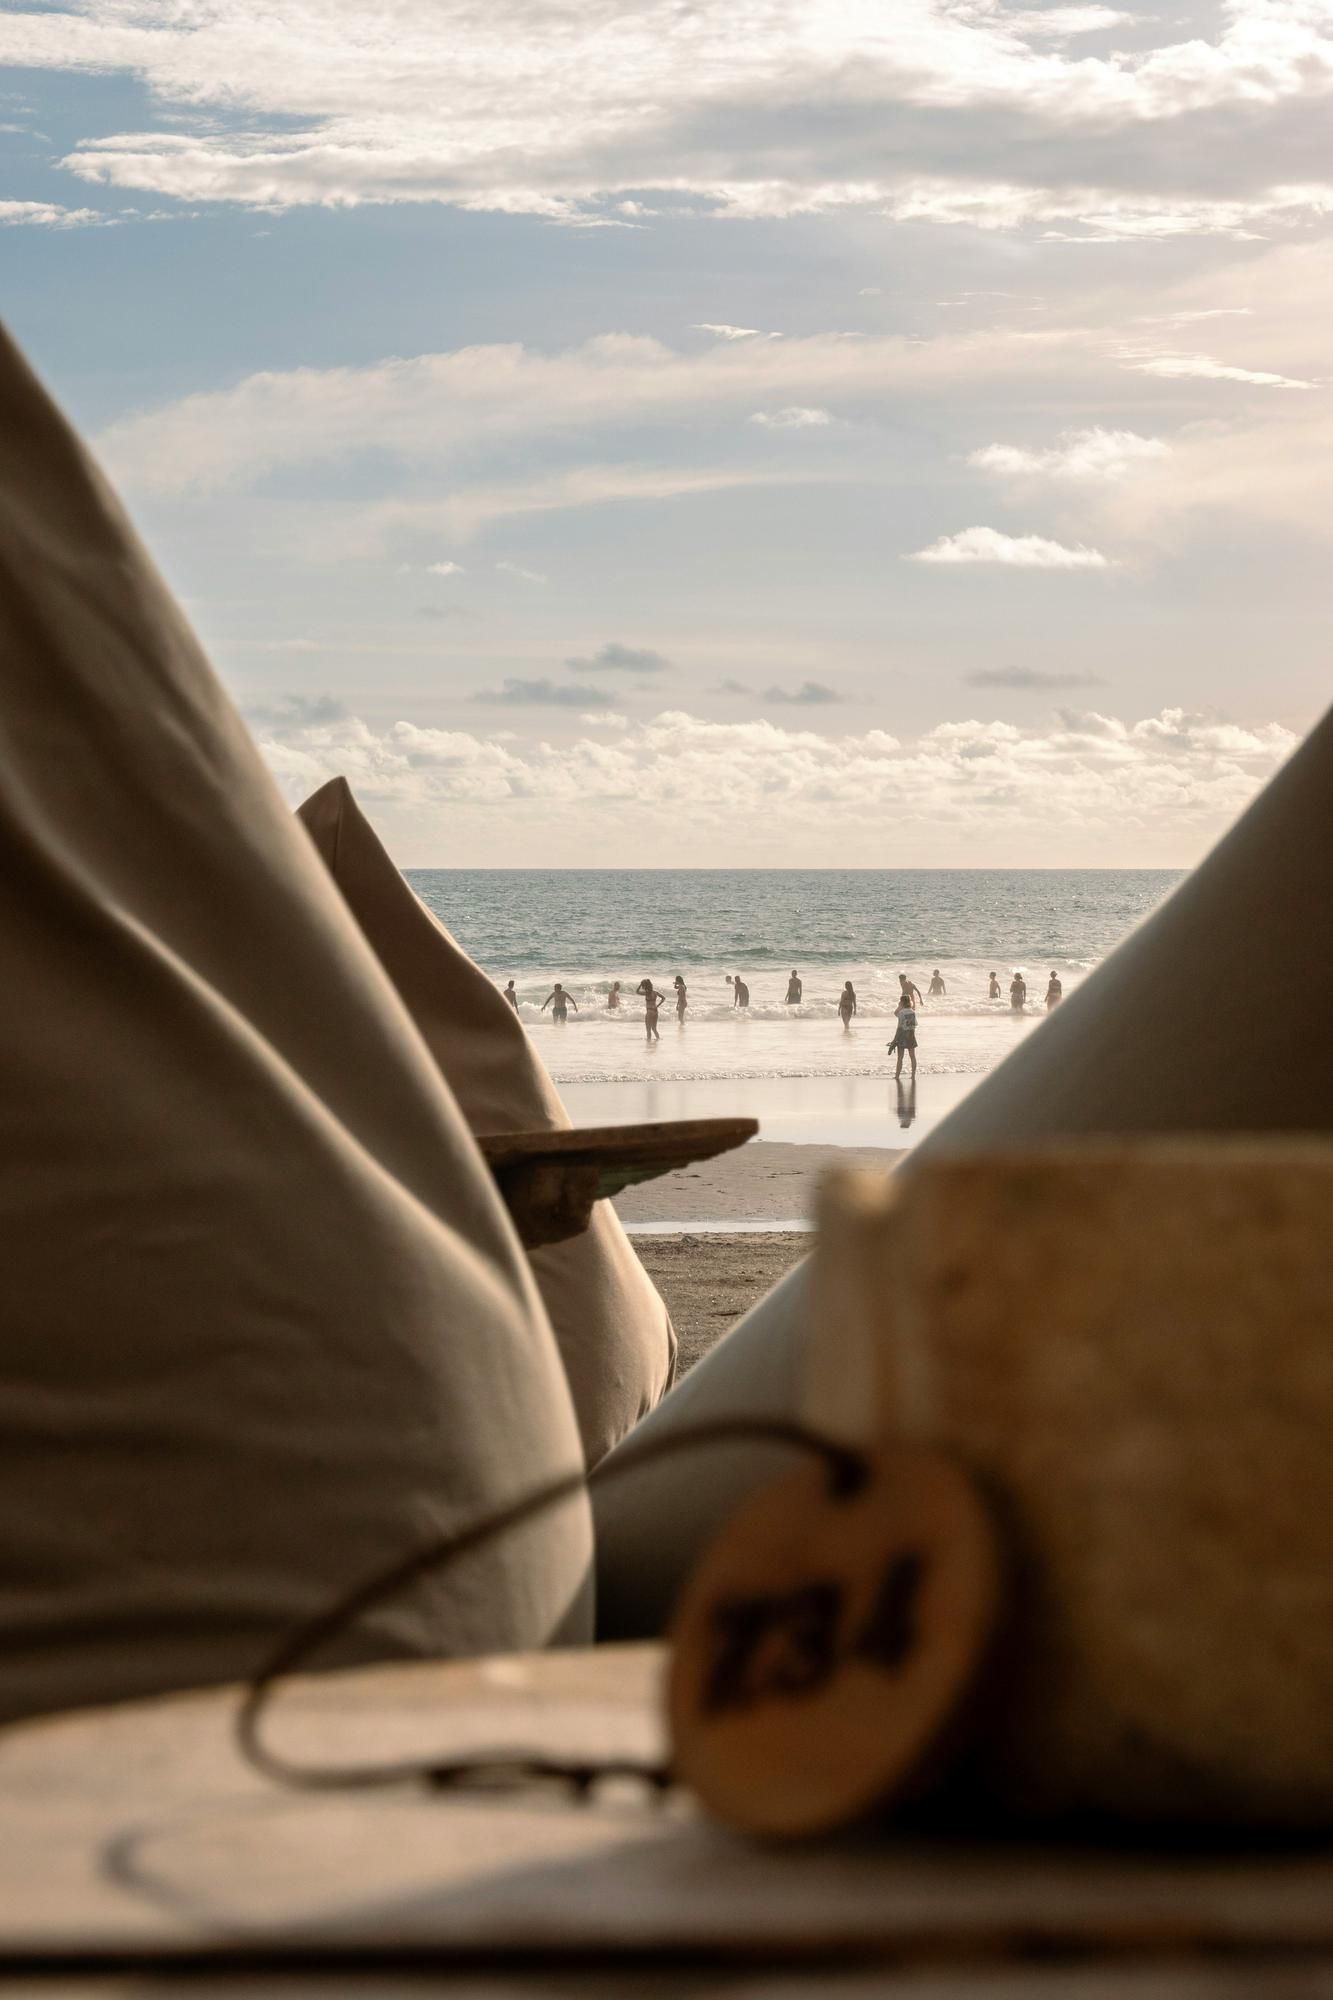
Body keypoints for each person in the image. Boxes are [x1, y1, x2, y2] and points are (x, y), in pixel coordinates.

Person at [890, 994, 918, 1079]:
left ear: (901, 1002)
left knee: (900, 1057)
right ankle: (913, 1075)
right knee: (912, 1056)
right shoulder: (913, 1012)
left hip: (902, 1035)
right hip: (911, 1034)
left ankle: (897, 1076)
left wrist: (894, 1040)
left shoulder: (901, 1012)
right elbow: (915, 1024)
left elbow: (899, 1028)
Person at [637, 978, 665, 1042]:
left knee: (648, 1030)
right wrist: (657, 1005)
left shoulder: (647, 993)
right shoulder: (655, 992)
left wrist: (640, 985)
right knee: (654, 1029)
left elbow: (637, 992)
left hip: (649, 1011)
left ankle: (648, 1044)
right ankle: (658, 1040)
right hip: (655, 1011)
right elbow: (663, 998)